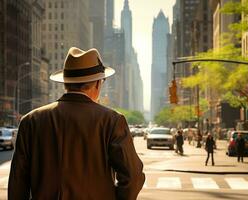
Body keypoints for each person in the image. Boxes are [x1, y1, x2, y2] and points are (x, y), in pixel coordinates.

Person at [8, 47, 145, 200]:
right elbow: (133, 176)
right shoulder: (112, 121)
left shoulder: (30, 121)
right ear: (98, 83)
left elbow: (18, 181)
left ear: (66, 83)